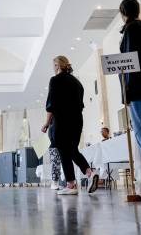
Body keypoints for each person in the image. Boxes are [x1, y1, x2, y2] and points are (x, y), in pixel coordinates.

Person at [41, 56, 98, 195]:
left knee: (63, 151)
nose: (53, 68)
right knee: (72, 149)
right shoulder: (77, 83)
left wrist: (46, 124)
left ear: (57, 65)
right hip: (77, 120)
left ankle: (71, 184)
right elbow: (81, 105)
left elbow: (51, 106)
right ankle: (89, 172)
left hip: (61, 121)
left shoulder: (55, 80)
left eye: (54, 65)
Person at [118, 0, 141, 165]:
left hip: (137, 88)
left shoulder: (133, 28)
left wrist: (127, 92)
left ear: (123, 13)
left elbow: (131, 62)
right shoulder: (139, 27)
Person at [47, 120, 62, 190]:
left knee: (58, 166)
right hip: (54, 148)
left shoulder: (54, 126)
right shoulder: (52, 127)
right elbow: (53, 139)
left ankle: (56, 181)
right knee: (55, 165)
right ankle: (54, 182)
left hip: (57, 147)